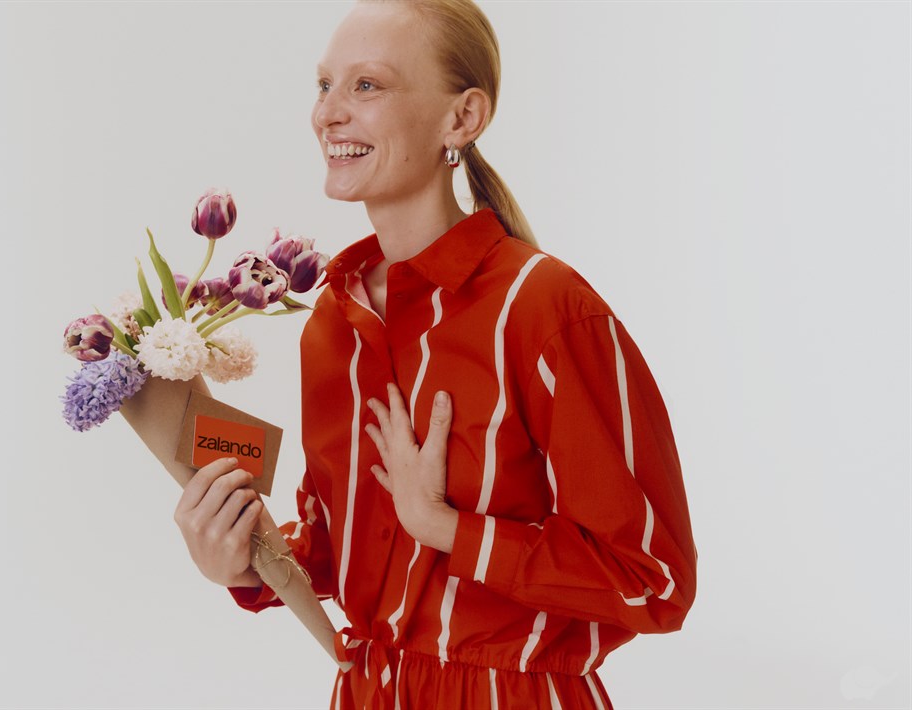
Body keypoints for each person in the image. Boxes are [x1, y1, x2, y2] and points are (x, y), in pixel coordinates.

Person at [174, 0, 698, 707]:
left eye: (367, 85)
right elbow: (336, 548)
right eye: (324, 85)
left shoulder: (544, 307)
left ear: (462, 118)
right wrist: (238, 560)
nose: (328, 112)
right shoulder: (332, 321)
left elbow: (655, 581)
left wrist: (445, 527)